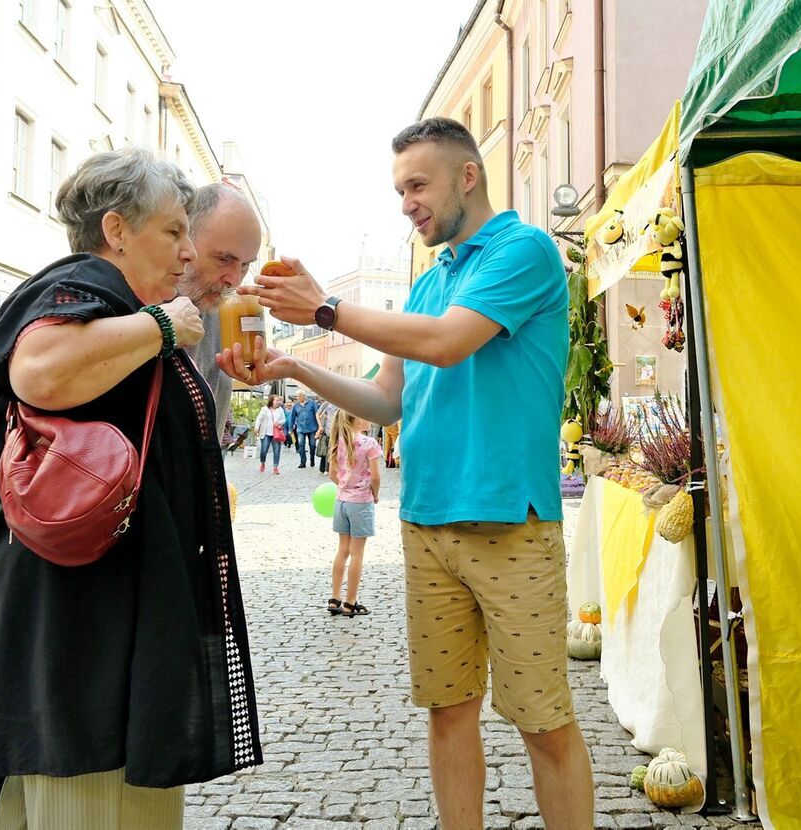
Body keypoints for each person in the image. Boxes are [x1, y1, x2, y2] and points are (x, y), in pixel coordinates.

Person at [218, 117, 592, 829]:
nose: (406, 203)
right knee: (448, 713)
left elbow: (450, 343)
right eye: (399, 190)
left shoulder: (526, 250)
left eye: (417, 184)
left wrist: (326, 308)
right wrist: (293, 366)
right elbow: (386, 399)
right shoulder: (427, 284)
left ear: (468, 176)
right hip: (426, 523)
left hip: (513, 524)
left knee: (543, 722)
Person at [0, 147, 261, 830]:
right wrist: (164, 325)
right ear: (117, 230)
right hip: (80, 637)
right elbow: (39, 371)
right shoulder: (80, 289)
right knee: (91, 800)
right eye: (172, 232)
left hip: (88, 626)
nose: (187, 252)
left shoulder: (107, 302)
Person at [175, 183, 263, 433]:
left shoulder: (222, 313)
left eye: (246, 265)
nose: (234, 280)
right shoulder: (138, 303)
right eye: (224, 259)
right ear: (184, 240)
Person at [326, 410, 381, 618]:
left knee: (342, 550)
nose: (369, 418)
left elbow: (333, 474)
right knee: (357, 553)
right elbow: (375, 477)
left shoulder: (339, 442)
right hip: (360, 502)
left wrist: (344, 487)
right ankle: (350, 602)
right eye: (365, 415)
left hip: (341, 502)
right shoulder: (370, 444)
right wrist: (375, 495)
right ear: (358, 419)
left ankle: (335, 597)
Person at [254, 394, 285, 474]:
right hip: (265, 433)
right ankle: (263, 462)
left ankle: (275, 467)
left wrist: (279, 422)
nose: (278, 402)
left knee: (277, 450)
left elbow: (284, 419)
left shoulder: (280, 410)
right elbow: (258, 419)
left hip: (276, 433)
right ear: (272, 401)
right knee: (264, 450)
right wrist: (256, 428)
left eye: (279, 400)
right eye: (277, 400)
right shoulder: (265, 409)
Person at [291, 391, 320, 468]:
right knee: (301, 445)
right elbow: (292, 417)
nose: (298, 398)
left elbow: (316, 414)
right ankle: (302, 462)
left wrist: (319, 426)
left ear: (304, 396)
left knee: (312, 445)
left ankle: (312, 459)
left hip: (312, 427)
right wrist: (291, 427)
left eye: (300, 396)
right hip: (301, 428)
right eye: (297, 396)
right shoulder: (295, 406)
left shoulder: (312, 403)